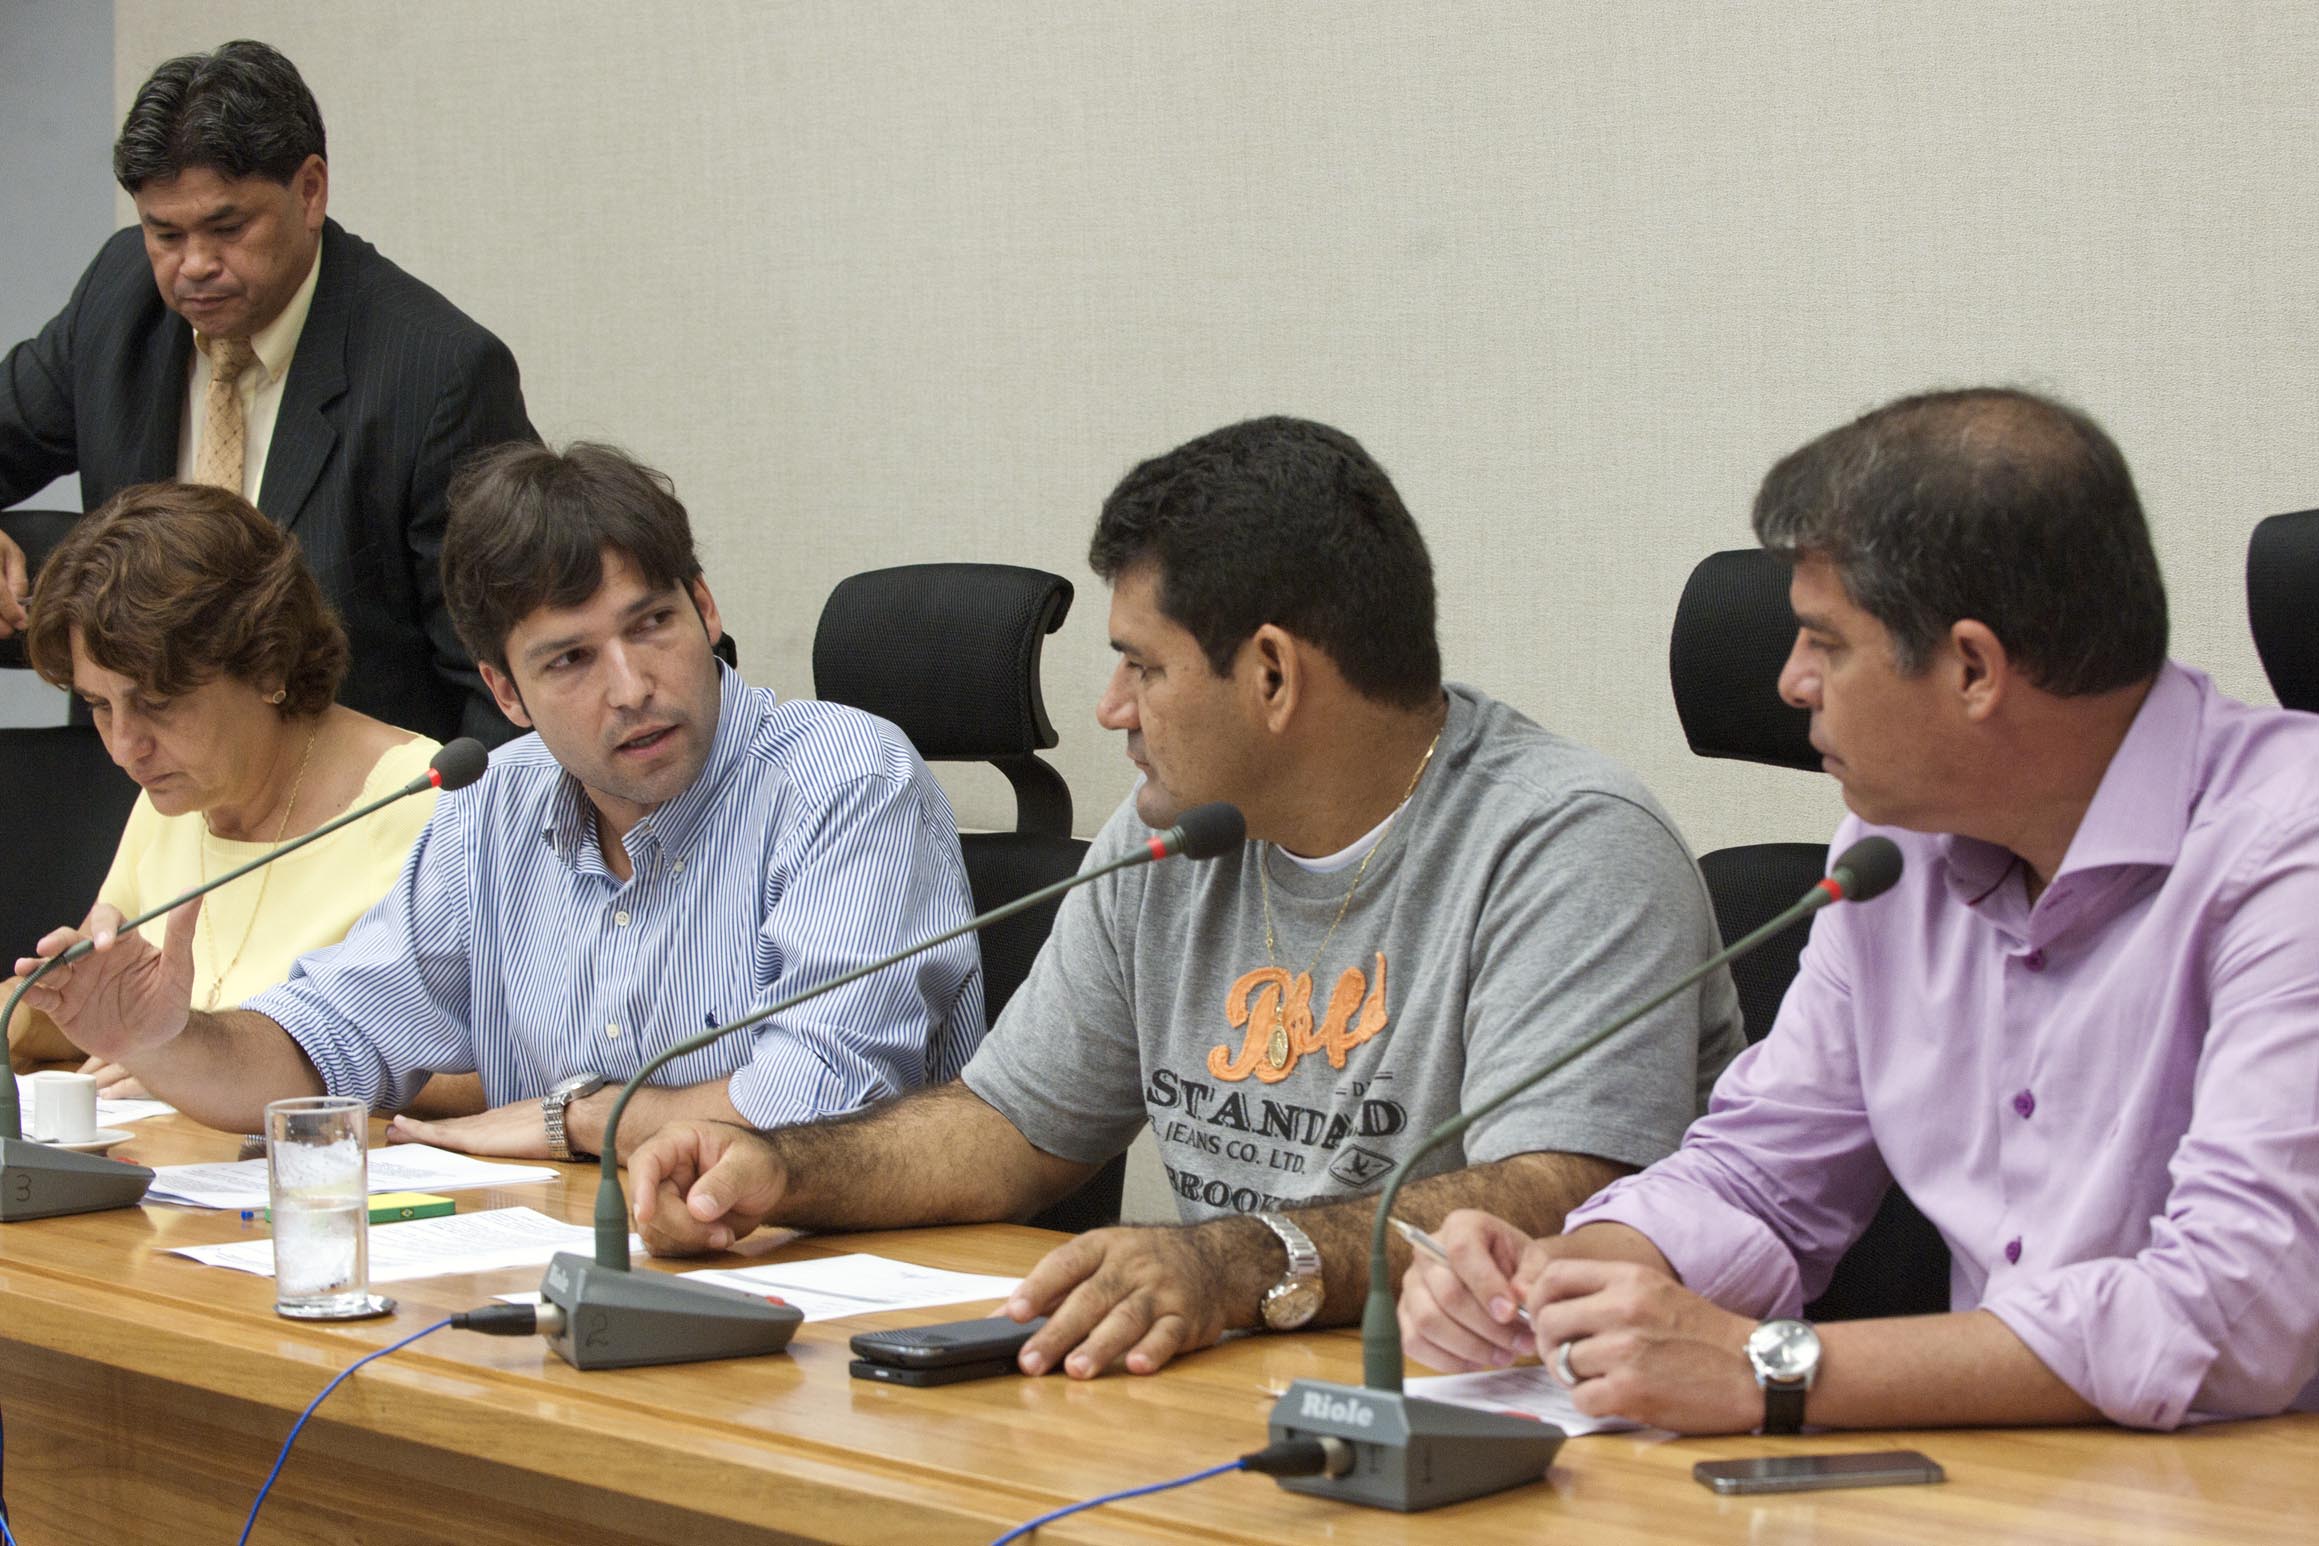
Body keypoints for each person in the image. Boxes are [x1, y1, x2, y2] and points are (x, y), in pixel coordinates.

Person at [628, 416, 1744, 1382]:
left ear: (1272, 675)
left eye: (1143, 666)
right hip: (1231, 1390)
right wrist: (782, 1170)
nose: (1111, 707)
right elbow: (1010, 1127)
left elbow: (1559, 1197)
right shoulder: (1174, 837)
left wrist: (1232, 1263)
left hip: (1490, 1421)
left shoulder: (1568, 847)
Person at [1398, 388, 2319, 1434]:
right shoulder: (1896, 853)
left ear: (1972, 668)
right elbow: (1760, 1176)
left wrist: (1770, 1369)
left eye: (1824, 643)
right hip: (2012, 1477)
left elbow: (2232, 1308)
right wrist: (1568, 1274)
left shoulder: (2288, 851)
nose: (1790, 682)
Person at [13, 442, 985, 1160]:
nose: (631, 687)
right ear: (505, 692)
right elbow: (326, 1044)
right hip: (558, 1269)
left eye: (652, 625)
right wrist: (164, 1038)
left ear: (705, 607)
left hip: (832, 1285)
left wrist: (572, 1118)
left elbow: (821, 1097)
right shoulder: (493, 803)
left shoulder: (845, 781)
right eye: (569, 660)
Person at [0, 40, 535, 746]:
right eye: (164, 233)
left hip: (344, 793)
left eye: (227, 228)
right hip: (135, 777)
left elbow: (502, 687)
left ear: (309, 190)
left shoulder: (439, 375)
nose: (194, 265)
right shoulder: (119, 296)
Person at [6, 481, 443, 1104]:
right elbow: (98, 1009)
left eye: (156, 702)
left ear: (267, 664)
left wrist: (183, 1066)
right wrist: (32, 1003)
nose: (124, 747)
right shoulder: (172, 796)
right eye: (99, 706)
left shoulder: (422, 800)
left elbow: (493, 1066)